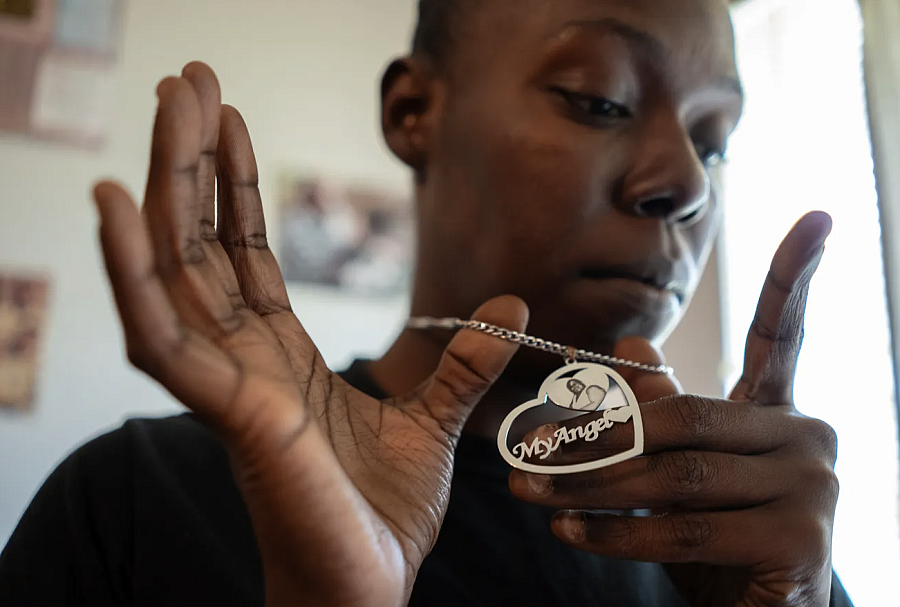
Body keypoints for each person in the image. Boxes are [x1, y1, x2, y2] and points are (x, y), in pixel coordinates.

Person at [0, 0, 855, 605]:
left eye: (716, 143)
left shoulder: (751, 549)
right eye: (601, 100)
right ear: (415, 111)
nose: (685, 183)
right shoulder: (133, 505)